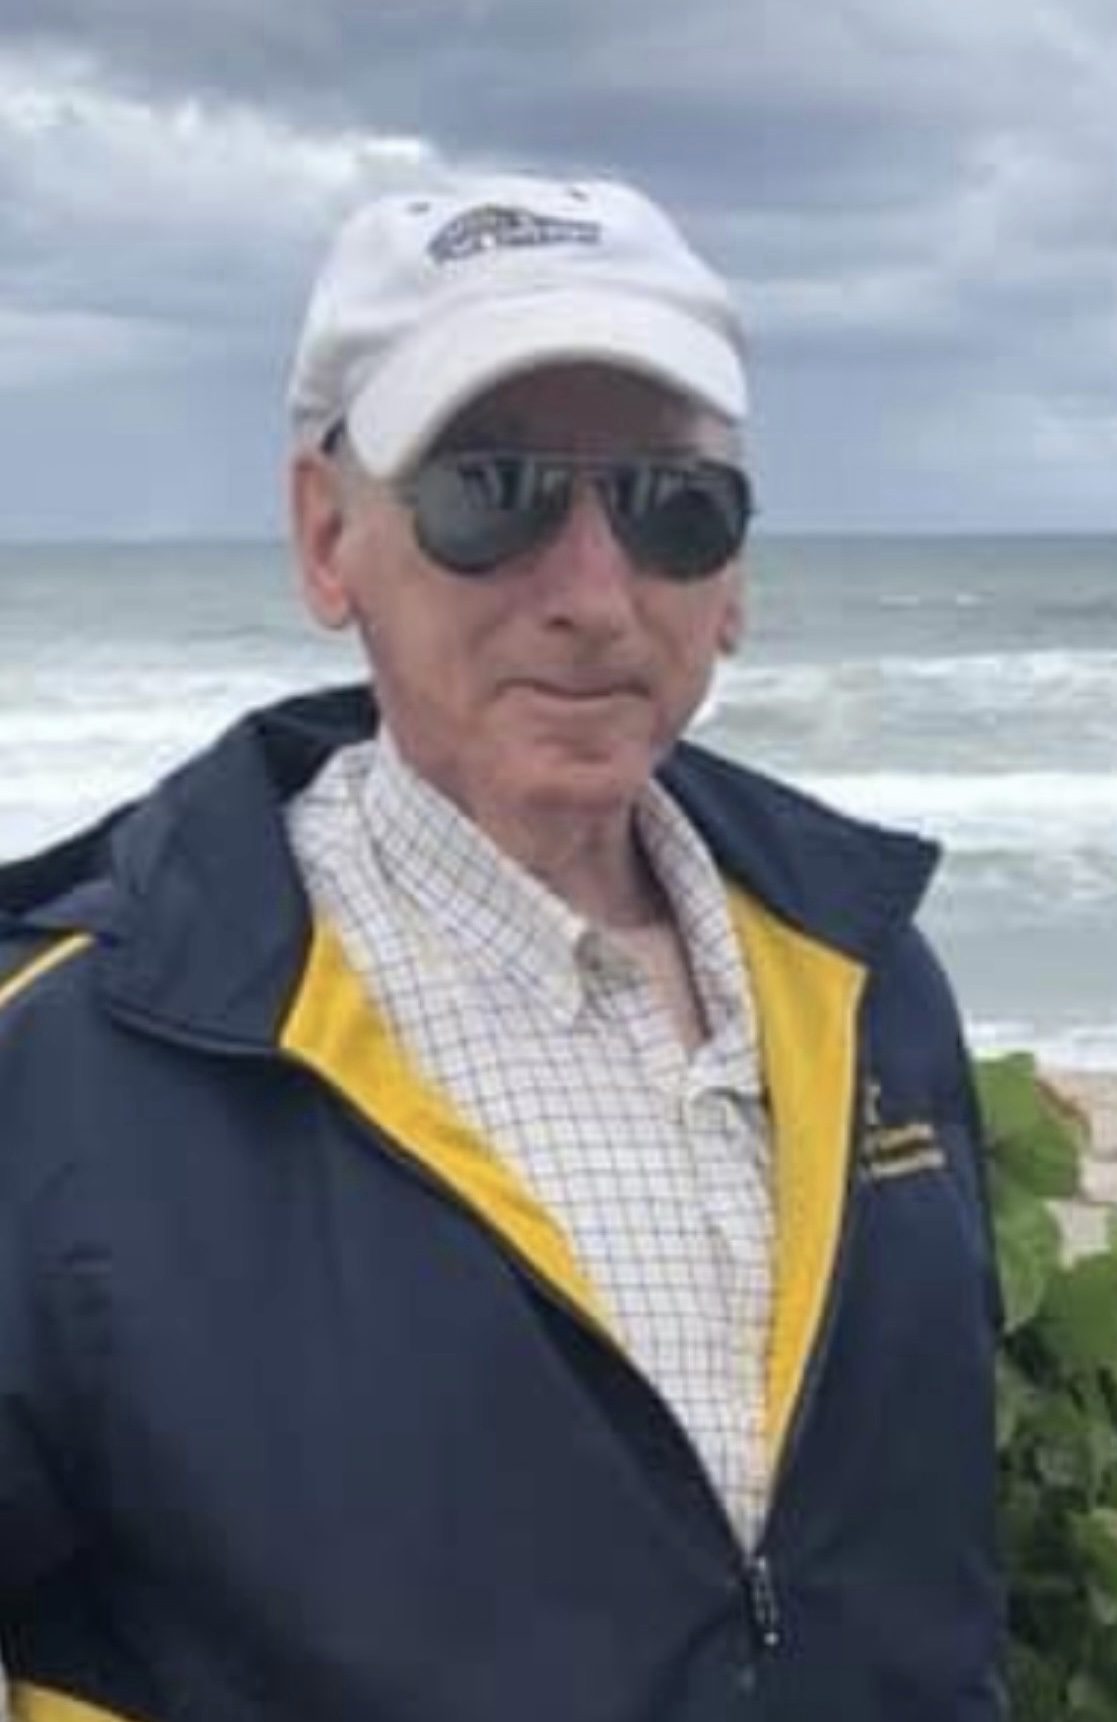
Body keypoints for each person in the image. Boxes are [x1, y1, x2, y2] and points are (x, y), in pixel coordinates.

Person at [0, 171, 1005, 1721]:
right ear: (327, 537)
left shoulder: (867, 982)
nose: (594, 593)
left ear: (734, 575)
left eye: (672, 503)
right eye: (495, 489)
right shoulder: (72, 1062)